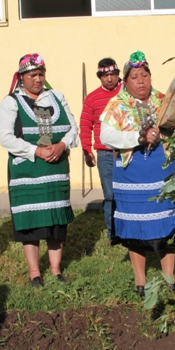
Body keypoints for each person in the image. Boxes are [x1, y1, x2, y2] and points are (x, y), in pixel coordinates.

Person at [100, 51, 175, 297]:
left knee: (167, 221)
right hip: (132, 172)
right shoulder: (118, 105)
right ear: (125, 81)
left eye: (145, 75)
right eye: (135, 76)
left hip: (164, 168)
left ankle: (170, 277)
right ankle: (141, 280)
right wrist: (137, 137)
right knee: (136, 226)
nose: (141, 81)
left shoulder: (165, 100)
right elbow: (106, 136)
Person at [0, 53, 78, 287]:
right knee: (31, 223)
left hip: (56, 171)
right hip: (28, 172)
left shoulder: (56, 97)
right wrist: (37, 151)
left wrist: (62, 145)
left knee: (55, 222)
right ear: (22, 77)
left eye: (41, 74)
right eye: (33, 75)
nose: (38, 79)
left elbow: (72, 128)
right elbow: (6, 138)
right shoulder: (11, 102)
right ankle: (34, 272)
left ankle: (55, 269)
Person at [80, 58, 122, 240]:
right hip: (105, 153)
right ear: (100, 77)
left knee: (130, 191)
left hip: (130, 150)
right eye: (105, 75)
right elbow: (85, 125)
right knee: (110, 194)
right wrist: (86, 150)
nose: (110, 79)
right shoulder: (92, 99)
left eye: (113, 74)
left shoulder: (128, 92)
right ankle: (113, 232)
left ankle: (132, 227)